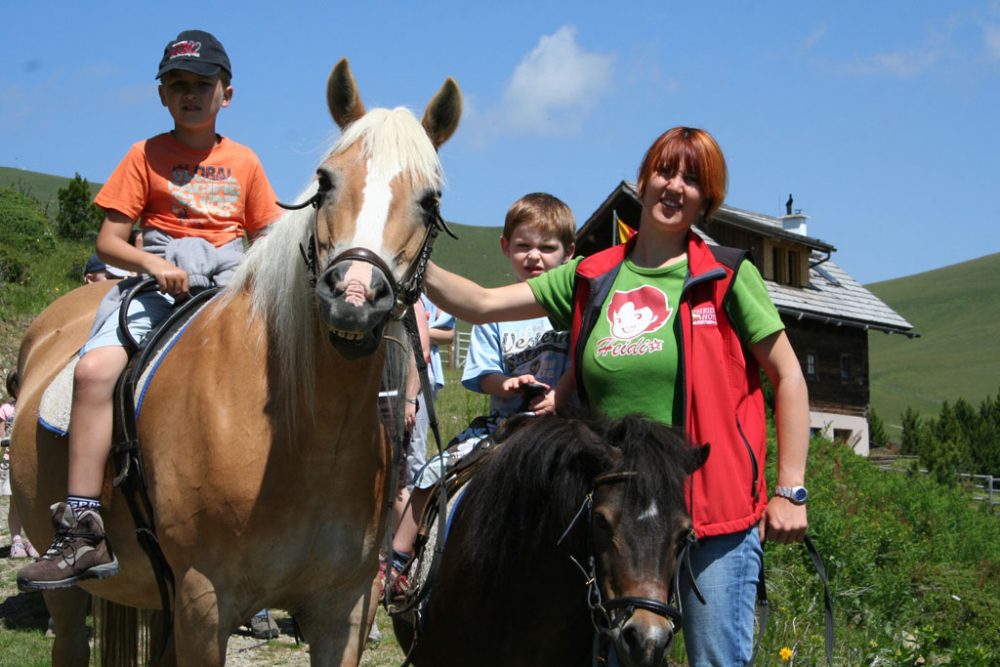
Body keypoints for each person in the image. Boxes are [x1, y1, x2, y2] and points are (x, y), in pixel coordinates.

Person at [422, 128, 810, 666]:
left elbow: (788, 376)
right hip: (616, 517)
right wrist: (410, 253)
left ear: (708, 199)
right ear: (645, 178)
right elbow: (483, 303)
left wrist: (791, 490)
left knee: (715, 662)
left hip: (711, 508)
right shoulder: (593, 276)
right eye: (665, 171)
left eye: (692, 180)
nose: (674, 187)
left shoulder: (726, 273)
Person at [18, 29, 281, 592]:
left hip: (231, 282)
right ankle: (84, 528)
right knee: (93, 371)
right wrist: (153, 265)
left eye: (202, 84)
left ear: (225, 94)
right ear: (163, 95)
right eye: (178, 84)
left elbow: (270, 236)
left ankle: (283, 521)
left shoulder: (246, 162)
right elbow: (111, 241)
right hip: (159, 278)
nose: (190, 94)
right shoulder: (144, 155)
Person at [386, 192, 577, 596]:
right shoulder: (495, 315)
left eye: (547, 248)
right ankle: (398, 560)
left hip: (563, 425)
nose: (534, 257)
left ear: (568, 253)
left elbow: (584, 359)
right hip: (504, 424)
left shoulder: (572, 306)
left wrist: (560, 392)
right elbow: (483, 372)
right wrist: (504, 384)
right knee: (433, 471)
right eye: (523, 246)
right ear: (506, 248)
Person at [2, 372, 39, 559]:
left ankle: (34, 540)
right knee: (15, 504)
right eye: (18, 385)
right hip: (12, 461)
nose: (21, 388)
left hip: (33, 460)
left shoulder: (36, 405)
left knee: (35, 502)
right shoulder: (7, 409)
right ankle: (16, 541)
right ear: (12, 387)